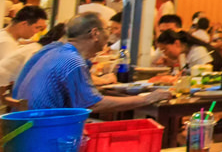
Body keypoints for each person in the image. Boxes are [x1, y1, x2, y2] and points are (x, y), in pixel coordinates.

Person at [13, 13, 171, 111]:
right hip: (46, 131)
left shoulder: (52, 49)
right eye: (107, 30)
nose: (110, 35)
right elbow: (92, 104)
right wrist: (148, 98)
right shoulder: (72, 61)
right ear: (95, 33)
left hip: (26, 125)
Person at [0, 5, 48, 87]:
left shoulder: (7, 37)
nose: (37, 32)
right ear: (24, 24)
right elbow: (7, 78)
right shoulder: (6, 43)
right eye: (37, 27)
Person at [154, 29, 222, 74]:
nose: (165, 54)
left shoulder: (198, 51)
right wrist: (172, 64)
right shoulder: (183, 54)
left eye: (165, 49)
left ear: (176, 43)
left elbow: (205, 74)